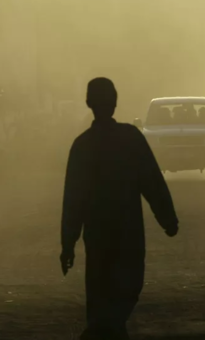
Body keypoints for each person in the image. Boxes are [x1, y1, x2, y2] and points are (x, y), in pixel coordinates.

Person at [60, 78, 179, 340]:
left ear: (88, 103)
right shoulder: (130, 139)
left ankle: (103, 329)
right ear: (115, 103)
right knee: (129, 285)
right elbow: (152, 182)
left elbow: (73, 200)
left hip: (97, 234)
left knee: (99, 288)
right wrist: (167, 219)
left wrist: (68, 244)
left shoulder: (82, 146)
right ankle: (109, 328)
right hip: (129, 231)